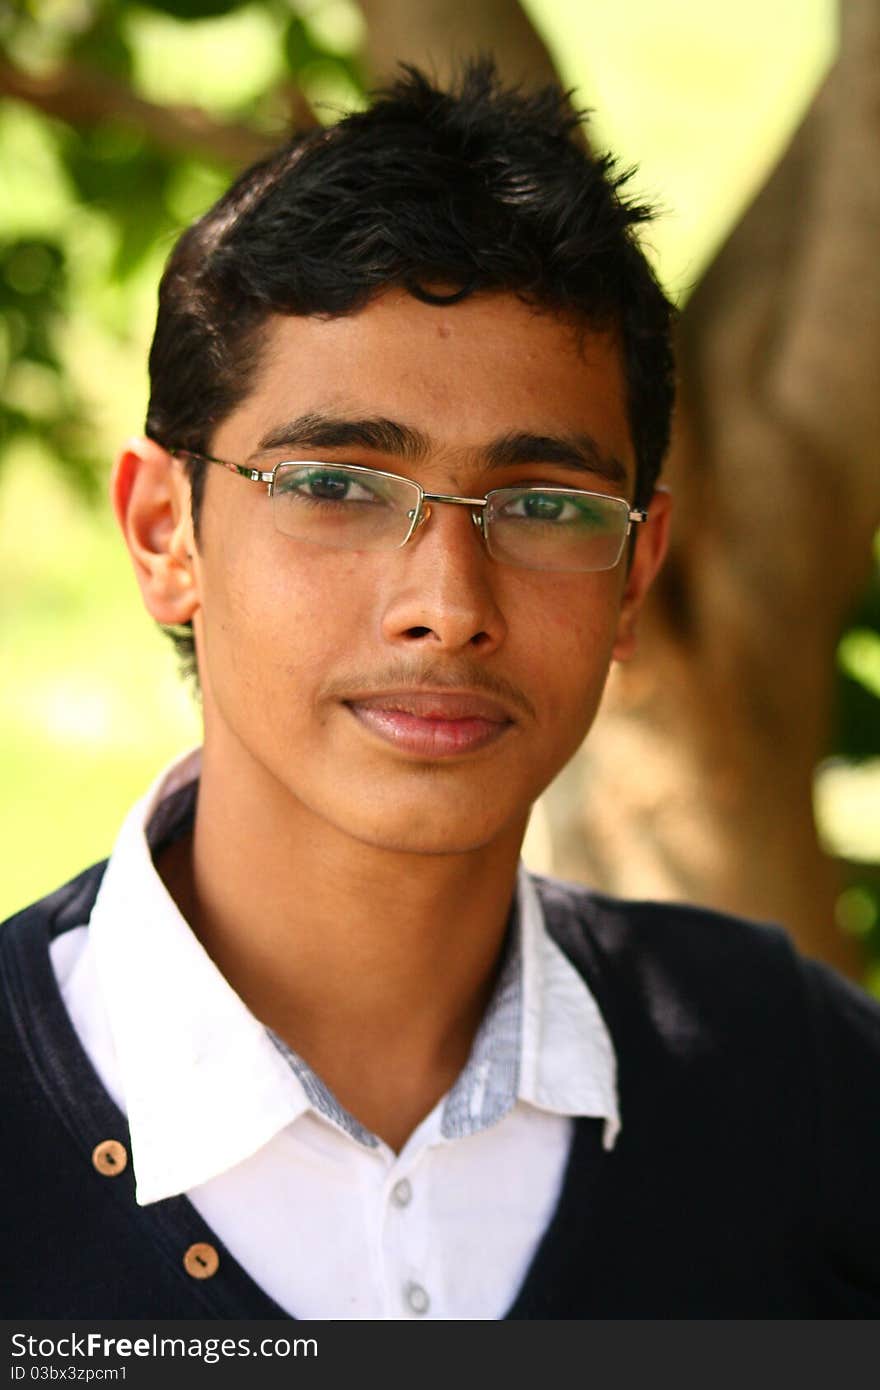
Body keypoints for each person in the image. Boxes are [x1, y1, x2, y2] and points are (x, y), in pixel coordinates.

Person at [2, 61, 879, 1322]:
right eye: (336, 486)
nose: (450, 603)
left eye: (543, 506)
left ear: (635, 575)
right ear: (164, 533)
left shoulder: (781, 1079)